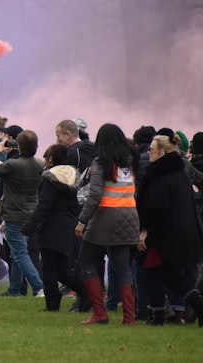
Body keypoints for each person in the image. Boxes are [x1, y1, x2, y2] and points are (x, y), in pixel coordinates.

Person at [74, 122, 139, 325]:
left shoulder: (101, 162)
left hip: (106, 217)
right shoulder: (131, 161)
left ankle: (99, 312)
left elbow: (94, 196)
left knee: (86, 260)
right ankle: (129, 317)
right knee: (122, 267)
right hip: (130, 215)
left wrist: (81, 221)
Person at [136, 134, 203, 325]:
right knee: (171, 275)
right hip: (180, 231)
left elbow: (155, 208)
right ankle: (198, 305)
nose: (149, 152)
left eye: (152, 149)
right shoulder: (180, 170)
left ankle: (157, 315)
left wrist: (144, 232)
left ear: (162, 151)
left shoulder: (159, 174)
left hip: (163, 234)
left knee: (153, 271)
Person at [21, 143, 87, 311]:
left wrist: (29, 226)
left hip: (51, 226)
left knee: (50, 268)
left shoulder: (49, 179)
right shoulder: (71, 178)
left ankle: (54, 302)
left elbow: (44, 205)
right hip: (67, 225)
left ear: (50, 159)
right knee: (61, 268)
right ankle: (85, 293)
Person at [0, 128, 44, 298]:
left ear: (18, 146)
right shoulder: (40, 164)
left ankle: (38, 286)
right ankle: (14, 289)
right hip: (31, 213)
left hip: (14, 213)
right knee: (17, 251)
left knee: (19, 253)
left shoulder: (13, 165)